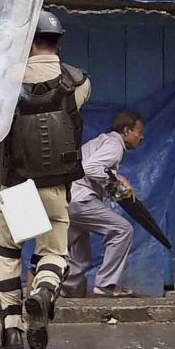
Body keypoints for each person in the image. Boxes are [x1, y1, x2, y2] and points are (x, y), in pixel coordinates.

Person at [0, 10, 90, 349]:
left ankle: (12, 332)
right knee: (53, 253)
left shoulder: (3, 82)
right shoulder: (79, 82)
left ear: (28, 42)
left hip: (15, 184)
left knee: (8, 256)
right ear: (57, 41)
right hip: (55, 185)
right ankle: (44, 292)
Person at [64, 111, 144, 298]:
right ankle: (107, 284)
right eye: (138, 132)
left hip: (69, 198)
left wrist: (117, 184)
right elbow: (90, 168)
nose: (141, 137)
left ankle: (59, 289)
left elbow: (95, 170)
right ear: (126, 131)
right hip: (81, 199)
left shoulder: (103, 141)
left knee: (78, 256)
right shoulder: (115, 145)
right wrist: (118, 179)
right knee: (122, 230)